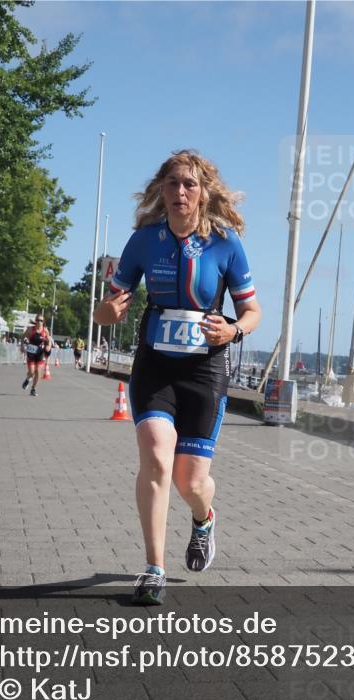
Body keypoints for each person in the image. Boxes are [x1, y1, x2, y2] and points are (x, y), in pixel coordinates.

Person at [94, 150, 262, 606]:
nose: (181, 192)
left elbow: (252, 311)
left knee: (190, 482)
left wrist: (233, 329)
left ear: (204, 192)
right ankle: (153, 568)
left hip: (205, 369)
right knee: (155, 457)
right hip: (156, 365)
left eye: (190, 184)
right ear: (161, 190)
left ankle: (204, 518)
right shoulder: (144, 241)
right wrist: (105, 312)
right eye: (173, 184)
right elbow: (107, 307)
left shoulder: (225, 243)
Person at [21, 315, 50, 396]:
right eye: (38, 320)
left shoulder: (45, 331)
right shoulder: (30, 329)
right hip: (31, 353)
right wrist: (22, 345)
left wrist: (48, 346)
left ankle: (33, 389)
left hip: (40, 353)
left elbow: (49, 340)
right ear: (35, 321)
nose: (39, 322)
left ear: (43, 322)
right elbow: (23, 338)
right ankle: (27, 380)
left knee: (38, 371)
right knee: (31, 372)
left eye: (41, 321)